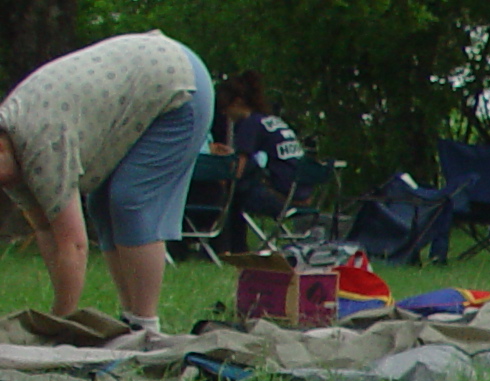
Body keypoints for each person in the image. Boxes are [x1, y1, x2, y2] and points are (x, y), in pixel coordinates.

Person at [0, 31, 215, 333]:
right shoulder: (11, 157)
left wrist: (59, 324)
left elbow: (74, 245)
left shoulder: (40, 143)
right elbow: (47, 229)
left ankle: (146, 327)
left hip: (178, 83)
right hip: (150, 78)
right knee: (100, 204)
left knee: (129, 199)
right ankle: (131, 322)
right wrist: (58, 318)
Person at [209, 69, 308, 254]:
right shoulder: (270, 121)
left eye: (225, 107)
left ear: (237, 103)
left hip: (278, 197)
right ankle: (237, 249)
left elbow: (237, 170)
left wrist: (220, 170)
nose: (224, 113)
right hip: (302, 195)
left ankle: (228, 249)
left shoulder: (249, 124)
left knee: (229, 195)